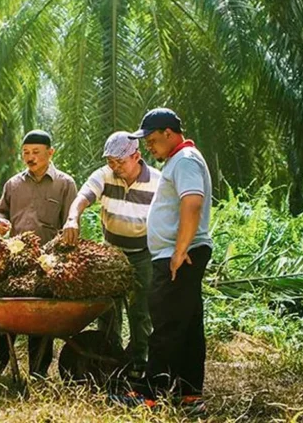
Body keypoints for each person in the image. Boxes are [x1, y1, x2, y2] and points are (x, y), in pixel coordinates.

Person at [128, 108, 213, 409]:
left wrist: (179, 252)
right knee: (187, 325)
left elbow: (192, 202)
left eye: (152, 140)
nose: (149, 147)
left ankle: (148, 395)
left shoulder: (185, 160)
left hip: (180, 256)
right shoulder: (180, 160)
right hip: (182, 253)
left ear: (169, 133)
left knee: (165, 324)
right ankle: (189, 394)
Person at [62, 131, 160, 376]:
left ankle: (139, 365)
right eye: (110, 162)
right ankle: (108, 360)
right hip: (111, 253)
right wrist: (73, 218)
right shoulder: (105, 176)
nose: (114, 167)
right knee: (107, 309)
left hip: (143, 253)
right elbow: (82, 198)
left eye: (120, 162)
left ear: (136, 156)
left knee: (140, 312)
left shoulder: (158, 181)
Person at [0, 130, 77, 377]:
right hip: (13, 262)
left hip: (47, 265)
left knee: (41, 319)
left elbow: (71, 224)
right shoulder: (13, 184)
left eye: (36, 152)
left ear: (50, 152)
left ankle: (38, 372)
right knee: (4, 316)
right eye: (26, 152)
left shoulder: (65, 184)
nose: (30, 157)